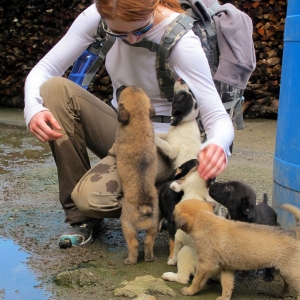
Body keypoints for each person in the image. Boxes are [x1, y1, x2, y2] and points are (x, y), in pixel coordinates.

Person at [24, 0, 234, 248]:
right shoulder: (98, 16)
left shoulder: (181, 41)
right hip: (124, 128)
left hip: (164, 141)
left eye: (141, 30)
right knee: (54, 89)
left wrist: (218, 145)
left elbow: (217, 117)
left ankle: (172, 201)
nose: (132, 40)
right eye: (119, 33)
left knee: (91, 198)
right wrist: (33, 109)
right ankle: (81, 220)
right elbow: (45, 69)